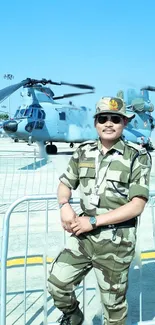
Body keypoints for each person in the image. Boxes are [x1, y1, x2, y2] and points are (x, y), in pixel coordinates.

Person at [48, 96, 151, 325]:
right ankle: (73, 317)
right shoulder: (83, 152)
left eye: (116, 118)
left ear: (124, 122)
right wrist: (65, 206)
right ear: (96, 123)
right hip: (83, 237)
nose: (109, 123)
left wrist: (93, 221)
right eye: (103, 118)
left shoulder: (137, 156)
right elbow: (65, 184)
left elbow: (137, 204)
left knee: (113, 308)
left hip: (116, 242)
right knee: (57, 284)